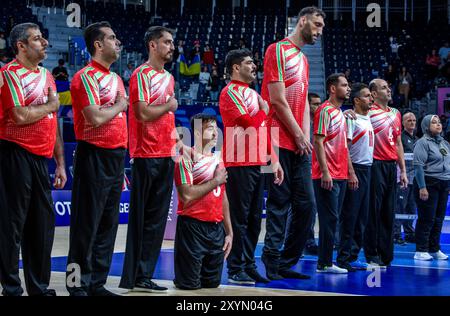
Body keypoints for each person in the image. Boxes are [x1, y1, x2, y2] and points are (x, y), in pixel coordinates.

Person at [0, 22, 67, 296]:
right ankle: (12, 289)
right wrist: (51, 105)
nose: (45, 43)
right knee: (12, 224)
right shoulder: (8, 74)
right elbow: (19, 115)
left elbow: (53, 124)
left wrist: (60, 162)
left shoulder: (48, 76)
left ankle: (38, 287)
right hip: (14, 153)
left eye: (43, 38)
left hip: (42, 159)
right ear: (21, 46)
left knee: (42, 225)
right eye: (37, 39)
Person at [261, 6, 325, 280]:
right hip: (276, 138)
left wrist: (305, 138)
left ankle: (287, 259)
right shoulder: (277, 50)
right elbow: (277, 99)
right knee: (279, 204)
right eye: (317, 25)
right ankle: (272, 260)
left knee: (307, 205)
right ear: (302, 22)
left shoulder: (305, 60)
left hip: (298, 143)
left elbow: (305, 108)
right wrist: (298, 134)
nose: (320, 31)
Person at [66, 21, 128, 296]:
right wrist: (119, 105)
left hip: (116, 155)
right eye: (113, 38)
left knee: (107, 223)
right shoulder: (84, 77)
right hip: (93, 154)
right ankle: (75, 283)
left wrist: (114, 108)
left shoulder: (116, 79)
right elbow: (95, 116)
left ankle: (97, 283)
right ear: (98, 45)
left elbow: (111, 114)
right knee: (85, 224)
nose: (118, 43)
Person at [120, 26, 178, 293]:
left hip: (166, 153)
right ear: (152, 45)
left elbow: (167, 117)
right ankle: (132, 277)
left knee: (156, 221)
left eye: (172, 42)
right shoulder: (141, 74)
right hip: (145, 155)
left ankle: (145, 275)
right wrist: (169, 106)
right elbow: (142, 113)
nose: (171, 46)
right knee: (142, 220)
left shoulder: (169, 77)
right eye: (166, 42)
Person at [219, 49, 284, 284]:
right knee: (239, 218)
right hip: (238, 162)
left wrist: (273, 160)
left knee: (255, 219)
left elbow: (262, 130)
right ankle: (235, 268)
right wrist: (264, 113)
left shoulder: (253, 94)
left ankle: (248, 263)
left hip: (256, 162)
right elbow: (247, 123)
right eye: (248, 63)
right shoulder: (230, 92)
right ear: (236, 68)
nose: (254, 66)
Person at [173, 114, 233, 289]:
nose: (215, 134)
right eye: (209, 129)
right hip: (192, 228)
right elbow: (186, 195)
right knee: (188, 286)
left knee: (212, 285)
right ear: (198, 134)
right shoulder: (185, 158)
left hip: (216, 230)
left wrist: (229, 232)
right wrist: (215, 181)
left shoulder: (218, 160)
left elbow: (223, 197)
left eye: (216, 129)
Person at [364, 78, 408, 267]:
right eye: (384, 87)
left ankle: (386, 254)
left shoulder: (396, 113)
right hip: (374, 165)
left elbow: (398, 143)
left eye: (388, 87)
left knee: (389, 212)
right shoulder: (367, 112)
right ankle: (372, 254)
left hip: (391, 167)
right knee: (373, 212)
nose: (389, 89)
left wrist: (403, 170)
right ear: (373, 94)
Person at [312, 74, 350, 273]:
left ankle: (327, 261)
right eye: (344, 85)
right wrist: (325, 172)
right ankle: (324, 263)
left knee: (334, 219)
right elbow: (318, 141)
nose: (348, 88)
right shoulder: (324, 111)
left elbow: (343, 146)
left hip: (341, 174)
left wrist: (349, 172)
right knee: (329, 220)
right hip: (327, 175)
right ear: (333, 89)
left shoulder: (340, 113)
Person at [336, 83, 374, 272]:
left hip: (367, 169)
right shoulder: (351, 119)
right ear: (357, 100)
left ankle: (353, 255)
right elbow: (345, 148)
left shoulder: (368, 118)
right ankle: (343, 258)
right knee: (350, 216)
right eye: (367, 96)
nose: (371, 99)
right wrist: (351, 173)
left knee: (361, 217)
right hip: (355, 169)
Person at [413, 115, 450, 261]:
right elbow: (418, 167)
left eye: (439, 122)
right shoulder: (422, 143)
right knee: (427, 218)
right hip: (428, 183)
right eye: (434, 123)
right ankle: (421, 250)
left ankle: (434, 249)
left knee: (439, 218)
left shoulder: (444, 144)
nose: (438, 125)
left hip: (443, 183)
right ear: (426, 126)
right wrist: (422, 187)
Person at [394, 112, 418, 245]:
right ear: (403, 123)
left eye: (414, 120)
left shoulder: (417, 139)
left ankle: (409, 233)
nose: (412, 122)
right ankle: (396, 234)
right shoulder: (400, 138)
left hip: (414, 179)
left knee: (411, 207)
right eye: (409, 120)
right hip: (402, 178)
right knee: (399, 207)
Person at [304, 92, 321, 256]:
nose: (318, 107)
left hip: (317, 169)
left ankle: (309, 241)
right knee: (308, 206)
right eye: (314, 104)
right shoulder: (302, 124)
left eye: (319, 103)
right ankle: (306, 241)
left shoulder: (319, 122)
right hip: (304, 169)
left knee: (313, 207)